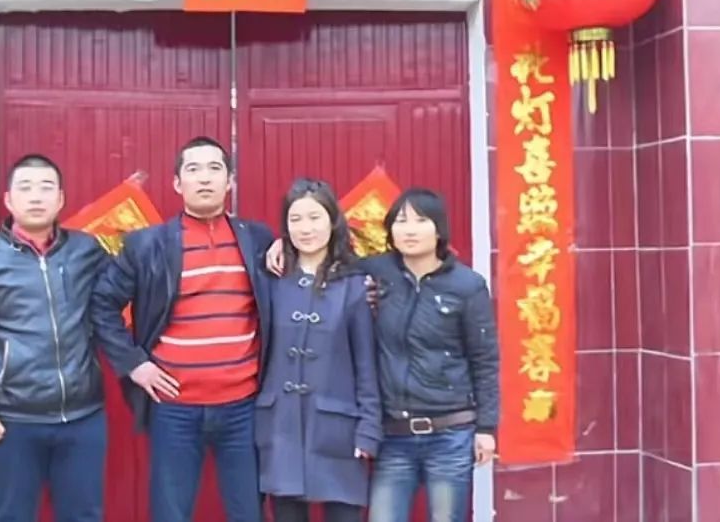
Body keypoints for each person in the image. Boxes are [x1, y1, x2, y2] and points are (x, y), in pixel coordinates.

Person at [88, 136, 275, 522]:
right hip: (174, 409)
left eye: (214, 169)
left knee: (249, 512)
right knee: (170, 513)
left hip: (243, 407)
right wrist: (134, 363)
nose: (204, 178)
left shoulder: (259, 240)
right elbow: (101, 305)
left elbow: (310, 271)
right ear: (177, 183)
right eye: (193, 169)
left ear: (229, 181)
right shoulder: (147, 246)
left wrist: (367, 287)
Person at [0, 154, 110, 522]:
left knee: (84, 516)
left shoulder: (87, 251)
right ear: (8, 199)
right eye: (26, 188)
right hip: (13, 421)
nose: (36, 196)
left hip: (82, 417)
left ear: (60, 199)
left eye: (46, 188)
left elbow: (123, 291)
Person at [362, 188, 499, 522]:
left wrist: (487, 428)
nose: (409, 230)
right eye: (401, 221)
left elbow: (485, 360)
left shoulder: (467, 285)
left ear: (439, 229)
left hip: (450, 434)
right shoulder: (377, 273)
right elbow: (326, 262)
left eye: (420, 221)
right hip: (394, 434)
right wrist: (280, 247)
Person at [255, 178, 382, 522]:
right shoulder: (271, 279)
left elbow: (366, 365)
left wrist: (369, 428)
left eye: (315, 217)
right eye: (295, 219)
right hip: (280, 425)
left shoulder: (355, 284)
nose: (305, 228)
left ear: (332, 221)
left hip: (338, 428)